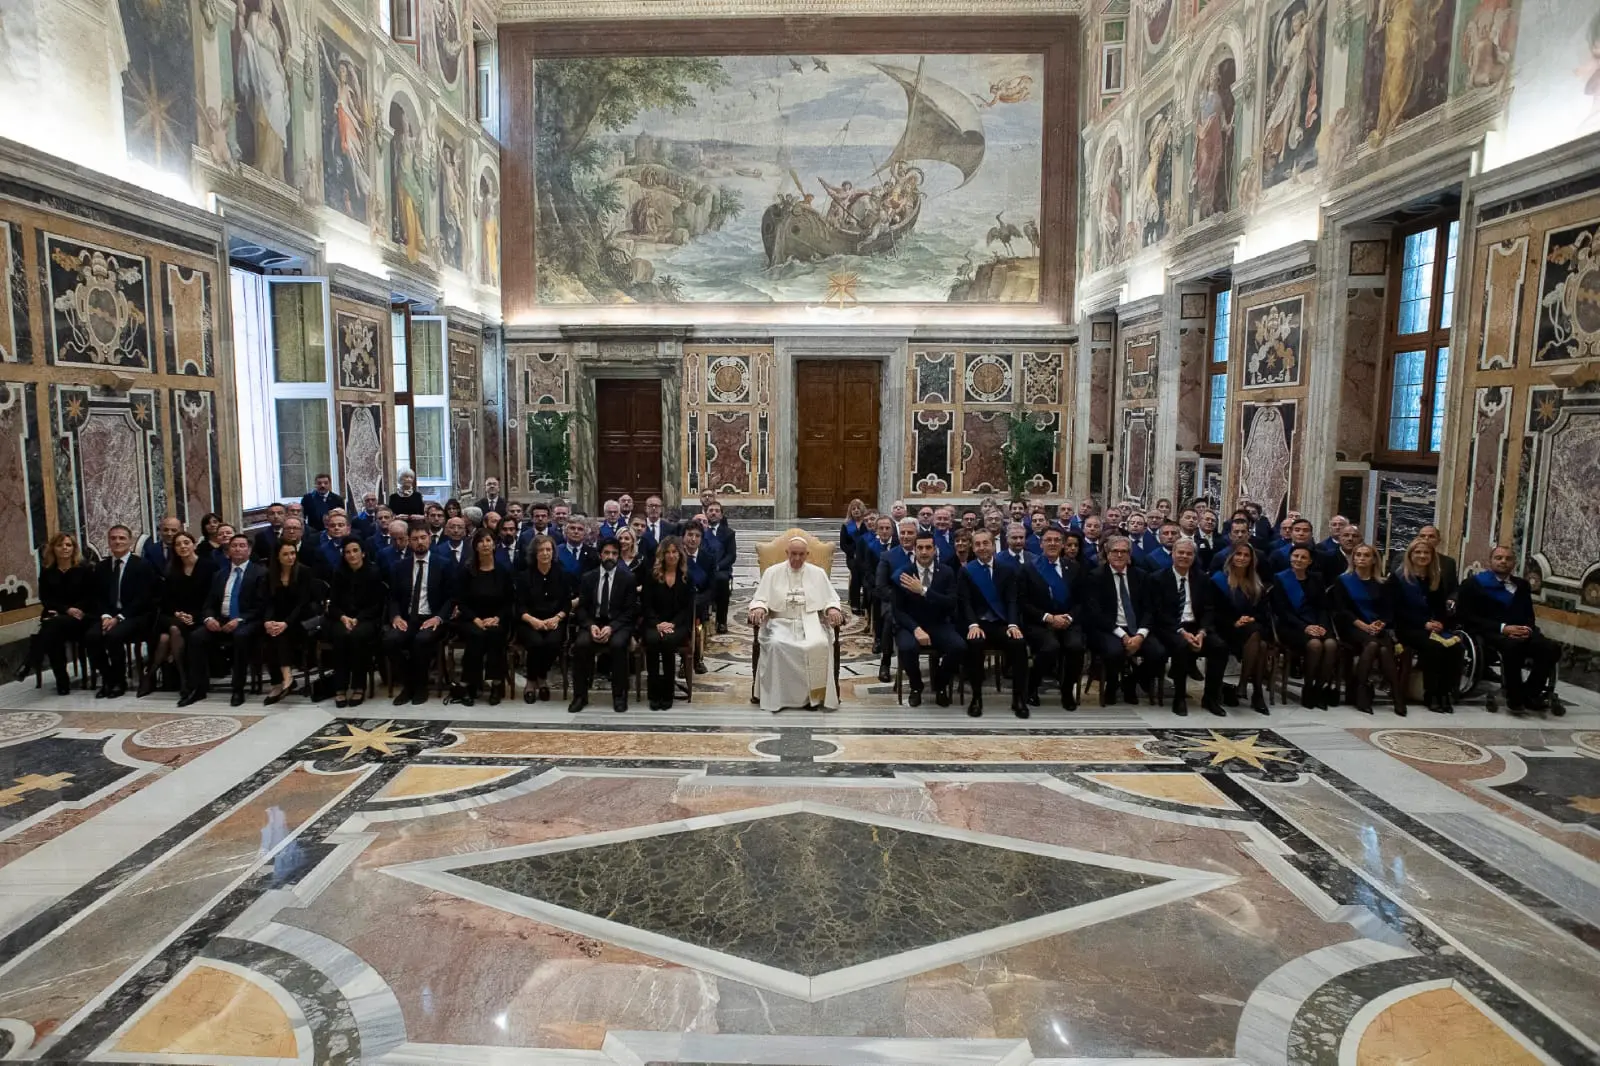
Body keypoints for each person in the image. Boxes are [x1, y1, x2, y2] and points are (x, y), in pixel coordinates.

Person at [1458, 545, 1561, 715]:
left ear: (1514, 563)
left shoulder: (1522, 586)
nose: (1503, 561)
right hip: (1491, 633)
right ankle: (1515, 697)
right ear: (1490, 561)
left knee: (1551, 648)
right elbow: (1467, 617)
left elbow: (1529, 614)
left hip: (1521, 632)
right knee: (1513, 647)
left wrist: (1527, 628)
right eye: (1499, 558)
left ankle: (1530, 693)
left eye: (1508, 558)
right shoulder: (1473, 585)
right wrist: (1504, 628)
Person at [749, 536, 844, 713]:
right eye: (793, 554)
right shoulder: (772, 572)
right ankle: (778, 698)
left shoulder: (818, 573)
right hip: (779, 622)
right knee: (776, 645)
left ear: (807, 554)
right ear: (787, 553)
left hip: (811, 622)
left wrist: (832, 609)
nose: (797, 559)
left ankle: (813, 698)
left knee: (818, 644)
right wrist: (759, 608)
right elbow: (760, 598)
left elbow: (831, 598)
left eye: (801, 554)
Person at [186, 534, 269, 707]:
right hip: (221, 620)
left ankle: (238, 688)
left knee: (241, 636)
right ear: (228, 551)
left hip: (248, 621)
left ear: (249, 550)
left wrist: (239, 619)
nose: (238, 549)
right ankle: (198, 688)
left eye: (242, 546)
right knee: (196, 637)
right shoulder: (220, 574)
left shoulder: (260, 573)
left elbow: (261, 606)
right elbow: (209, 603)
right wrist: (209, 618)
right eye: (234, 546)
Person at [1083, 535, 1167, 706]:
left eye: (1124, 551)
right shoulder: (1095, 576)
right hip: (1109, 628)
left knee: (1159, 653)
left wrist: (1140, 635)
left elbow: (1150, 609)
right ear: (1107, 554)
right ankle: (1112, 686)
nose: (1119, 555)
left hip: (1137, 628)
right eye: (1115, 551)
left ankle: (1132, 681)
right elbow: (1096, 613)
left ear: (1130, 555)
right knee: (1114, 652)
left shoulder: (1142, 576)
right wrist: (1123, 635)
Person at [955, 529, 1029, 718]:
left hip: (1001, 623)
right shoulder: (966, 571)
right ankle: (976, 698)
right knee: (974, 644)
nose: (982, 548)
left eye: (985, 543)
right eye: (977, 544)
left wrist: (1013, 625)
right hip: (978, 624)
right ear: (973, 547)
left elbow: (1012, 600)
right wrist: (972, 624)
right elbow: (965, 602)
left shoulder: (1007, 569)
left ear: (993, 545)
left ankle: (1018, 698)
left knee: (1018, 643)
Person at [1388, 538, 1466, 715]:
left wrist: (1440, 622)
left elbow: (1440, 608)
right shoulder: (1398, 578)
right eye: (1418, 552)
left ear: (1432, 556)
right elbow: (1395, 610)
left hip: (1432, 627)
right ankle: (1431, 694)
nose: (1422, 556)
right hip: (1407, 627)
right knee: (1434, 647)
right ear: (1410, 555)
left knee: (1457, 647)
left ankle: (1445, 692)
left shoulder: (1435, 579)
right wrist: (1423, 623)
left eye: (1426, 553)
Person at [1153, 538, 1228, 716]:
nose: (1184, 556)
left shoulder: (1202, 579)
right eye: (1180, 552)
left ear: (1194, 557)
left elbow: (1209, 609)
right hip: (1171, 627)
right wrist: (1181, 632)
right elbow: (1159, 612)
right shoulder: (1158, 578)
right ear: (1172, 554)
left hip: (1197, 627)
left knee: (1220, 647)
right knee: (1181, 646)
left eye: (1189, 553)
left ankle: (1210, 698)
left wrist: (1202, 632)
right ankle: (1179, 697)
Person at [889, 531, 963, 708]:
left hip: (937, 623)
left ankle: (940, 684)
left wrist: (924, 591)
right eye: (920, 548)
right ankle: (916, 686)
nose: (924, 552)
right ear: (914, 550)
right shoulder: (903, 573)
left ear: (934, 550)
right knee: (907, 647)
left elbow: (951, 603)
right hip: (909, 625)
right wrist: (915, 629)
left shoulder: (946, 572)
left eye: (928, 547)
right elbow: (897, 611)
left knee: (958, 646)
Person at [138, 531, 215, 698]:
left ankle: (151, 676)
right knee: (171, 631)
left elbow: (211, 596)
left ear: (194, 545)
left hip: (200, 616)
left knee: (168, 637)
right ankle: (183, 680)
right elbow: (167, 600)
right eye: (178, 544)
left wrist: (193, 616)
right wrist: (178, 613)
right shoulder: (172, 569)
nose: (182, 546)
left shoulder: (208, 566)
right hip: (174, 615)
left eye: (186, 542)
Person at [86, 525, 159, 699]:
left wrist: (119, 618)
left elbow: (143, 598)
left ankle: (119, 681)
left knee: (113, 636)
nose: (117, 541)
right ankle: (108, 678)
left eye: (121, 538)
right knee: (91, 636)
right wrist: (105, 615)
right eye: (113, 538)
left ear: (130, 541)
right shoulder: (101, 567)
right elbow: (98, 596)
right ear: (108, 541)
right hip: (108, 616)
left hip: (134, 616)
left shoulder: (142, 566)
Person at [385, 525, 455, 705]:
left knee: (421, 640)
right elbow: (392, 597)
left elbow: (451, 598)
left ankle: (421, 686)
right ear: (409, 541)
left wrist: (438, 618)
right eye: (415, 539)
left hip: (433, 618)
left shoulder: (444, 564)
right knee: (391, 640)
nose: (420, 542)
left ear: (429, 539)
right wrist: (395, 617)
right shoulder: (400, 566)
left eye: (423, 538)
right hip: (407, 617)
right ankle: (408, 685)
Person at [17, 533, 95, 694]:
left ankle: (29, 664)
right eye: (60, 545)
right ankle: (61, 679)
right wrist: (65, 610)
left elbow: (91, 596)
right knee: (52, 634)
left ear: (74, 548)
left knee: (50, 628)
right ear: (53, 549)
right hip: (57, 616)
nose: (64, 548)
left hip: (81, 618)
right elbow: (46, 598)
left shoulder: (84, 569)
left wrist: (73, 610)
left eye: (68, 545)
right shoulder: (47, 572)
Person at [1332, 543, 1404, 715]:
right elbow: (1341, 610)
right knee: (1374, 646)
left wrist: (1381, 623)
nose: (1361, 558)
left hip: (1376, 628)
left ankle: (1395, 694)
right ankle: (1364, 690)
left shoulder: (1382, 583)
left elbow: (1388, 610)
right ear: (1353, 559)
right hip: (1351, 627)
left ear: (1373, 560)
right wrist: (1362, 625)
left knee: (1384, 649)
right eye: (1358, 555)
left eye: (1366, 555)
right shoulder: (1343, 580)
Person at [569, 538, 638, 714]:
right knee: (581, 645)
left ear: (618, 556)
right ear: (600, 555)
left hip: (618, 624)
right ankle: (579, 696)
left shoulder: (628, 578)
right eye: (606, 553)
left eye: (614, 554)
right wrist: (590, 625)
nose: (610, 557)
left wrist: (612, 627)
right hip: (594, 623)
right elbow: (582, 608)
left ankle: (619, 696)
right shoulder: (588, 578)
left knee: (617, 645)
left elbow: (629, 612)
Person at [1021, 527, 1085, 711]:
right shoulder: (1029, 568)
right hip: (1039, 622)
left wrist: (1070, 617)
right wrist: (1049, 618)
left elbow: (1081, 600)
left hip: (1067, 621)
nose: (1053, 544)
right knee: (1050, 647)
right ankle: (1032, 686)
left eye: (1057, 540)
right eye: (1048, 540)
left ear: (1063, 544)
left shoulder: (1073, 567)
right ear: (1041, 543)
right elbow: (1023, 602)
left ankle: (1066, 691)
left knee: (1075, 647)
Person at [1272, 545, 1339, 708]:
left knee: (1330, 644)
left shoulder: (1316, 578)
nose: (1298, 560)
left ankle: (1319, 687)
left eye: (1303, 557)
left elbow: (1323, 607)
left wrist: (1322, 626)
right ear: (1290, 558)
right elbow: (1282, 611)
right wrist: (1305, 627)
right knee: (1315, 645)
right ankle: (1308, 687)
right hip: (1291, 626)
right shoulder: (1280, 578)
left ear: (1310, 561)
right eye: (1295, 556)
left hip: (1317, 624)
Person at [453, 528, 513, 706]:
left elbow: (509, 601)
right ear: (475, 545)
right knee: (477, 635)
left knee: (495, 634)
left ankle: (496, 683)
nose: (485, 544)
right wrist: (475, 619)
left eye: (489, 540)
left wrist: (497, 617)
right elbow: (461, 601)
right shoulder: (467, 571)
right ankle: (468, 684)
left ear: (494, 544)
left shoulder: (503, 571)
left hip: (496, 618)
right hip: (470, 618)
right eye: (481, 541)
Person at [1211, 542, 1273, 714]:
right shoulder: (1219, 580)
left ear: (1252, 559)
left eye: (1246, 555)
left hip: (1252, 629)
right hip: (1227, 630)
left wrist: (1252, 618)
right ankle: (1255, 692)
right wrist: (1234, 622)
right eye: (1238, 554)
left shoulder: (1256, 583)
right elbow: (1214, 612)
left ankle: (1245, 685)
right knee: (1259, 643)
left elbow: (1264, 613)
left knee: (1257, 637)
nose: (1242, 558)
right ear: (1231, 557)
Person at [325, 539, 385, 708]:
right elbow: (333, 604)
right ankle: (340, 687)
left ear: (363, 553)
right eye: (348, 552)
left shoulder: (373, 572)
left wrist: (358, 618)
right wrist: (343, 617)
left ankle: (359, 686)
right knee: (340, 636)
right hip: (342, 618)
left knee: (358, 636)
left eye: (355, 550)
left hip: (367, 618)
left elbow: (377, 605)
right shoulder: (338, 573)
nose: (352, 555)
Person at [640, 535, 694, 711]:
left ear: (680, 555)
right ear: (662, 555)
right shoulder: (652, 576)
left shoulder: (686, 577)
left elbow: (686, 608)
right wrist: (657, 624)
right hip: (653, 623)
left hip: (677, 624)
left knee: (669, 641)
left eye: (674, 552)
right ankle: (654, 693)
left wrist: (672, 624)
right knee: (654, 641)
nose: (671, 556)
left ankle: (668, 692)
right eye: (668, 552)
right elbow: (646, 605)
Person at [516, 534, 570, 704]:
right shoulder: (524, 576)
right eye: (541, 550)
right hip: (530, 621)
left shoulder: (562, 574)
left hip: (555, 620)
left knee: (553, 643)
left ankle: (539, 676)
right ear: (534, 553)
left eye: (548, 549)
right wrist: (534, 621)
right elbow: (519, 606)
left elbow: (566, 604)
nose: (545, 553)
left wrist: (557, 618)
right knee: (536, 643)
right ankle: (533, 681)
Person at [261, 541, 313, 705]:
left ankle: (286, 676)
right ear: (277, 557)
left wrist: (286, 623)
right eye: (286, 554)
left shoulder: (304, 572)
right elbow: (268, 602)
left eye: (293, 553)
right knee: (267, 636)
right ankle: (278, 683)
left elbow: (302, 603)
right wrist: (268, 622)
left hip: (300, 620)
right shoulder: (270, 575)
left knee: (280, 635)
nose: (290, 557)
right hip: (278, 618)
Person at [703, 500, 736, 633]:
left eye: (717, 511)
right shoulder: (699, 531)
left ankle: (721, 621)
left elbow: (731, 556)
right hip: (702, 568)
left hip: (720, 569)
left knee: (722, 581)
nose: (713, 513)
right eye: (711, 510)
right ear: (706, 513)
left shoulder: (728, 533)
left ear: (721, 515)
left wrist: (717, 566)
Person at [840, 498, 866, 614]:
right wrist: (854, 553)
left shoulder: (867, 524)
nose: (856, 511)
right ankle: (855, 604)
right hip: (853, 557)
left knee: (867, 570)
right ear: (850, 511)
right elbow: (843, 545)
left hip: (866, 557)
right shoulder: (846, 526)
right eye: (853, 509)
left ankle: (866, 602)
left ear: (862, 510)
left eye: (858, 508)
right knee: (856, 570)